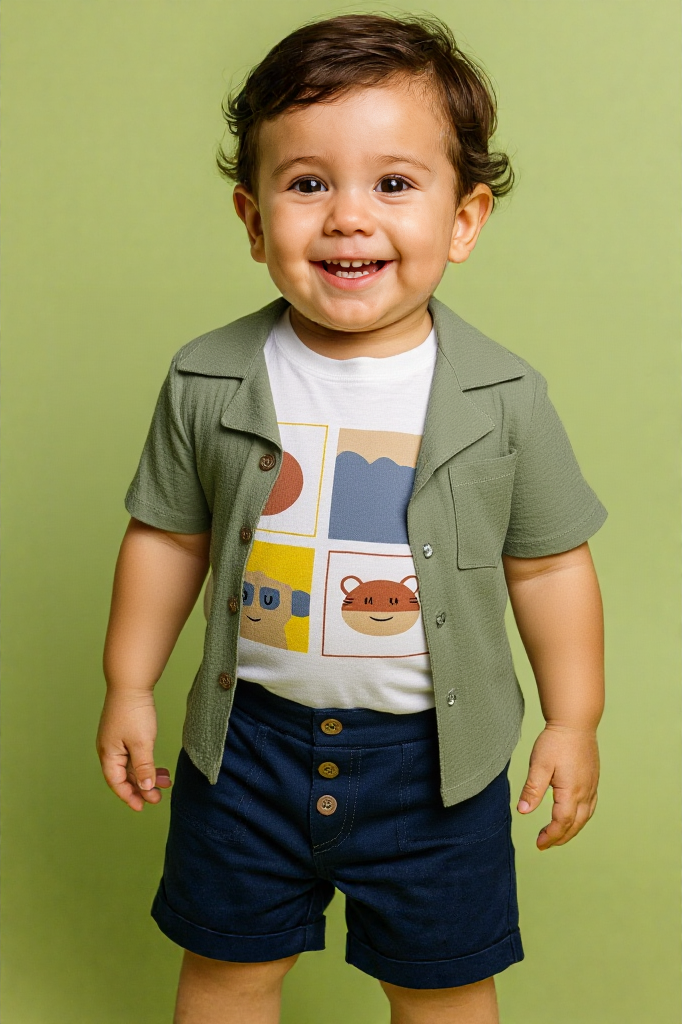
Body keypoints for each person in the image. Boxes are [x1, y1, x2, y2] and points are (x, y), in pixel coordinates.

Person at [97, 14, 606, 1024]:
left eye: (394, 183)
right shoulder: (209, 378)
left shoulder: (502, 397)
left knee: (442, 987)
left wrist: (572, 719)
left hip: (434, 766)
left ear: (464, 219)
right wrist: (129, 684)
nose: (347, 218)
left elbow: (549, 565)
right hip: (245, 752)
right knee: (227, 973)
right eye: (307, 183)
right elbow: (168, 536)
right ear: (253, 219)